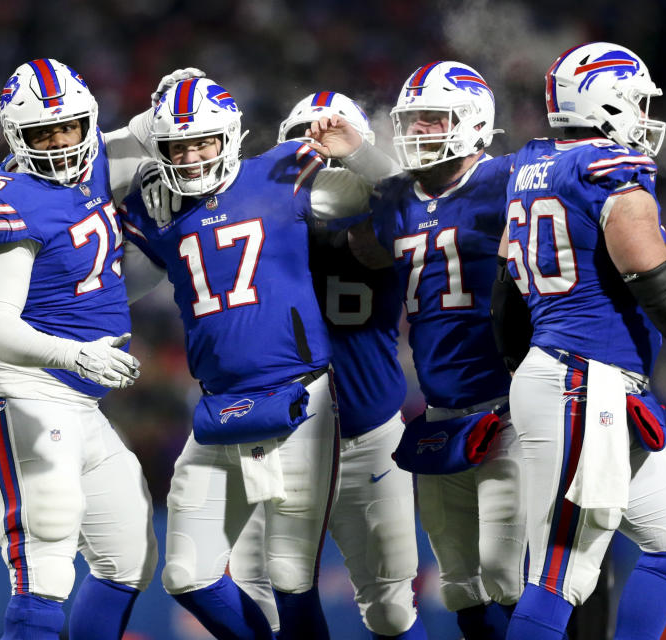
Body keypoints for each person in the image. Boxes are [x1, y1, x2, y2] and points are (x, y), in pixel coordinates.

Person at [119, 76, 401, 640]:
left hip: (302, 397)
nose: (192, 157)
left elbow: (397, 197)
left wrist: (359, 153)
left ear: (230, 136)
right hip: (221, 405)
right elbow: (109, 272)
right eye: (179, 146)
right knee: (186, 575)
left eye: (203, 142)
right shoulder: (156, 206)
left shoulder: (282, 170)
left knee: (292, 578)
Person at [494, 42, 666, 640]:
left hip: (573, 379)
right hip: (583, 383)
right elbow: (655, 291)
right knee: (563, 574)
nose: (642, 115)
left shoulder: (533, 166)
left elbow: (509, 295)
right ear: (607, 101)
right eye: (636, 101)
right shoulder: (614, 172)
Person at [0, 59, 159, 640]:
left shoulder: (94, 161)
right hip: (14, 391)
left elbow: (145, 133)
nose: (62, 143)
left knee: (127, 556)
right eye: (44, 133)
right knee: (44, 565)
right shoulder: (8, 197)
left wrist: (171, 90)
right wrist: (73, 353)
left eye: (70, 127)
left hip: (76, 401)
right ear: (17, 137)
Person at [226, 91, 427, 639]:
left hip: (368, 432)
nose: (322, 168)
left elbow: (409, 205)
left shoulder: (385, 218)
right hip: (283, 434)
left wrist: (359, 158)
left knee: (390, 607)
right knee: (262, 588)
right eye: (309, 152)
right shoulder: (256, 220)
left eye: (336, 156)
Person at [352, 60, 528, 640]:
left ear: (476, 122)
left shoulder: (507, 178)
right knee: (459, 584)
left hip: (511, 406)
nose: (421, 131)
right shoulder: (396, 198)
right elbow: (365, 243)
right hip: (441, 410)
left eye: (435, 118)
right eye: (414, 119)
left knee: (510, 578)